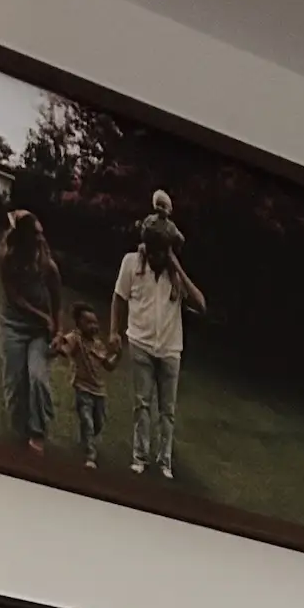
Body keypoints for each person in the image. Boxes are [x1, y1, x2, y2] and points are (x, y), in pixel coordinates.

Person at [110, 199, 205, 482]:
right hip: (139, 341)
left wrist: (176, 265)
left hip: (170, 349)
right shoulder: (131, 263)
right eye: (151, 251)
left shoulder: (174, 275)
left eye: (160, 252)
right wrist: (114, 331)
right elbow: (118, 297)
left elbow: (201, 304)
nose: (154, 257)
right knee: (142, 403)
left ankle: (165, 462)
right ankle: (140, 457)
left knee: (168, 411)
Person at [0, 209, 62, 455]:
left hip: (39, 332)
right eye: (35, 234)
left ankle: (38, 432)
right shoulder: (5, 256)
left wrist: (56, 331)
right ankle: (20, 429)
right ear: (22, 237)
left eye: (41, 233)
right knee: (15, 381)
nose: (41, 238)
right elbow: (14, 297)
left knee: (37, 377)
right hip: (13, 324)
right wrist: (42, 316)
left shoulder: (46, 265)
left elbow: (57, 301)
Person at [54, 304, 119, 470]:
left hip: (99, 391)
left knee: (98, 423)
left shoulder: (98, 345)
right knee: (87, 421)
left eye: (95, 322)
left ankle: (86, 439)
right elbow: (64, 349)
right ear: (78, 323)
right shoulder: (74, 338)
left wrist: (118, 355)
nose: (93, 326)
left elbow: (109, 366)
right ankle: (90, 455)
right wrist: (57, 347)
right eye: (88, 322)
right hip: (82, 388)